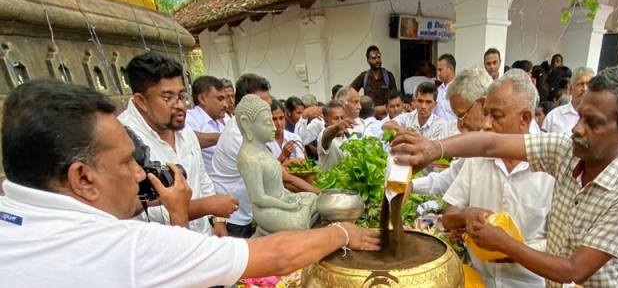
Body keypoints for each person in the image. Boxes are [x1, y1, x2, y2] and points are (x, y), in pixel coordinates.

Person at [0, 79, 380, 287]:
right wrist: (341, 234)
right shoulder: (124, 247)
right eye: (126, 163)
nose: (139, 174)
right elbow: (277, 255)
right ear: (82, 177)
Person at [392, 64, 618, 287]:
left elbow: (574, 270)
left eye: (593, 122)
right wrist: (433, 149)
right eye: (579, 117)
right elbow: (490, 144)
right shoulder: (566, 150)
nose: (577, 129)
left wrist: (506, 244)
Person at [442, 70, 554, 288]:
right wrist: (467, 215)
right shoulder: (478, 158)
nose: (486, 124)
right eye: (486, 114)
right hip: (477, 281)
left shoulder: (552, 167)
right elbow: (448, 217)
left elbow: (564, 248)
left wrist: (512, 249)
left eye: (497, 116)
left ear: (525, 119)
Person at [119, 52, 236, 237]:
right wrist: (205, 207)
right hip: (162, 250)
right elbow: (135, 211)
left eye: (181, 95)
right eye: (168, 98)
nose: (180, 105)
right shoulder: (121, 140)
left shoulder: (183, 129)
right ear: (142, 101)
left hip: (202, 237)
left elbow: (202, 178)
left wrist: (217, 219)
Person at [211, 74, 317, 238]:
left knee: (310, 204)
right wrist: (318, 195)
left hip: (257, 207)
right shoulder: (240, 139)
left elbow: (277, 175)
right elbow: (279, 182)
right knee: (300, 221)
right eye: (264, 108)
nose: (275, 124)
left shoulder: (255, 139)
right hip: (235, 215)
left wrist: (311, 196)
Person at [409, 67, 493, 195]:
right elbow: (452, 177)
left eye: (461, 115)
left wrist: (435, 149)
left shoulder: (509, 136)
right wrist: (411, 185)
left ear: (482, 103)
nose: (460, 123)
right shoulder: (477, 140)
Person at [186, 76, 228, 175]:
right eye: (220, 99)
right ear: (202, 99)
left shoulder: (220, 124)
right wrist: (226, 136)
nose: (225, 104)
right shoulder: (190, 117)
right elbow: (188, 139)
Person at [383, 82, 448, 141]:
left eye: (428, 102)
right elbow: (386, 125)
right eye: (420, 101)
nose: (423, 106)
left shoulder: (441, 125)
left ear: (435, 104)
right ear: (415, 101)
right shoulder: (407, 117)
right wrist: (403, 130)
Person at [541, 67, 594, 133]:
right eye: (580, 84)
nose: (585, 89)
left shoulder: (598, 118)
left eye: (589, 85)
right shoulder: (554, 116)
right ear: (571, 89)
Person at [350, 45, 397, 118]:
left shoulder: (388, 76)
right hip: (368, 117)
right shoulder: (364, 76)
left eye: (379, 57)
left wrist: (383, 108)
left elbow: (395, 97)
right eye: (374, 58)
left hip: (385, 117)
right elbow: (351, 91)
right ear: (368, 61)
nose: (377, 60)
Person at [319, 101, 353, 172]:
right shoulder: (323, 135)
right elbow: (326, 137)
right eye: (335, 118)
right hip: (330, 181)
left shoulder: (352, 135)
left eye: (342, 118)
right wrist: (337, 127)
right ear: (326, 121)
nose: (340, 121)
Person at [435, 54, 458, 122]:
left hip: (454, 130)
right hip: (437, 130)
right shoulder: (437, 90)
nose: (438, 74)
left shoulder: (460, 89)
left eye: (440, 70)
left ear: (450, 68)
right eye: (437, 70)